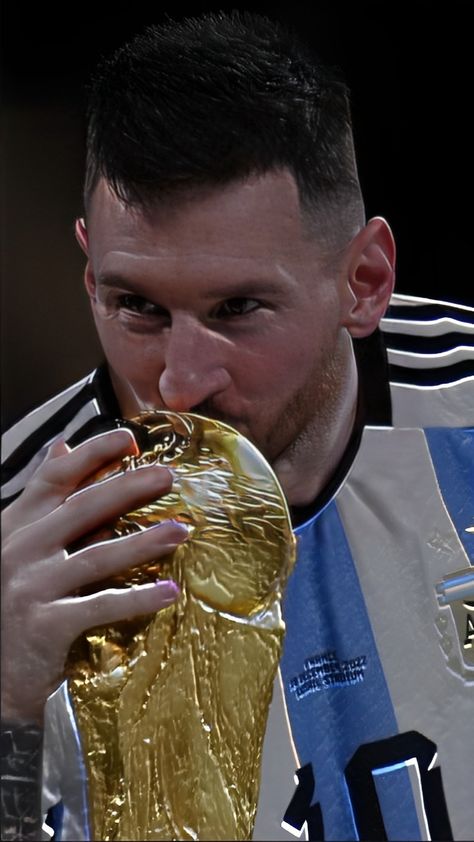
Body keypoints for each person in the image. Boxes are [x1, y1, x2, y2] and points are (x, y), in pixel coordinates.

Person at [1, 10, 473, 841]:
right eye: (135, 305)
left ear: (363, 281)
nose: (179, 384)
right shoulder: (14, 534)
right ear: (88, 271)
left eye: (238, 309)